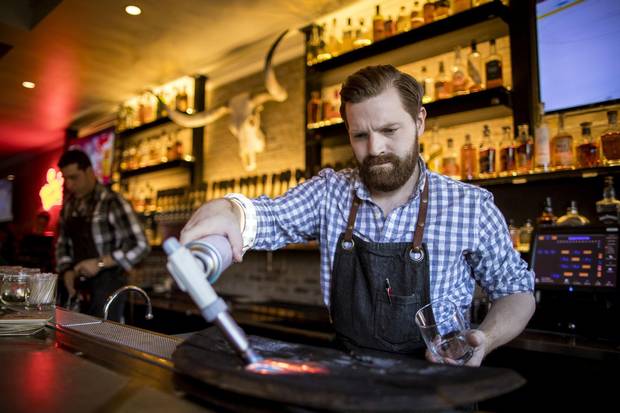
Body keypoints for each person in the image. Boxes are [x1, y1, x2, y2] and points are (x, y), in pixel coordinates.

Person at [180, 65, 535, 367]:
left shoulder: (470, 206)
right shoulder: (329, 193)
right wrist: (230, 209)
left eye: (389, 131)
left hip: (437, 385)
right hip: (350, 380)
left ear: (419, 121)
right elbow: (266, 217)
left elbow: (517, 291)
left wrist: (485, 338)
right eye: (360, 135)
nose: (375, 148)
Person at [56, 149, 150, 321]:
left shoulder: (111, 201)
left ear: (90, 172)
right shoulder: (68, 208)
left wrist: (100, 263)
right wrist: (67, 271)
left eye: (74, 177)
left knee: (103, 338)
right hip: (77, 288)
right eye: (66, 179)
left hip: (109, 286)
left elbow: (141, 245)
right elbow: (62, 245)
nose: (69, 185)